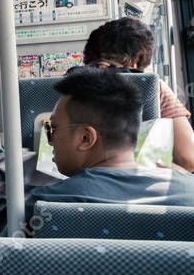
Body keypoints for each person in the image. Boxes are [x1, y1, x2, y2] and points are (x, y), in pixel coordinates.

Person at [0, 67, 194, 275]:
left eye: (53, 129)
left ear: (85, 138)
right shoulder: (186, 190)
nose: (51, 140)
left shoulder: (44, 207)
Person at [82, 16, 194, 171]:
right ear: (138, 59)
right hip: (137, 188)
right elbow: (188, 158)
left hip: (73, 186)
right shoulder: (153, 87)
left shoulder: (65, 85)